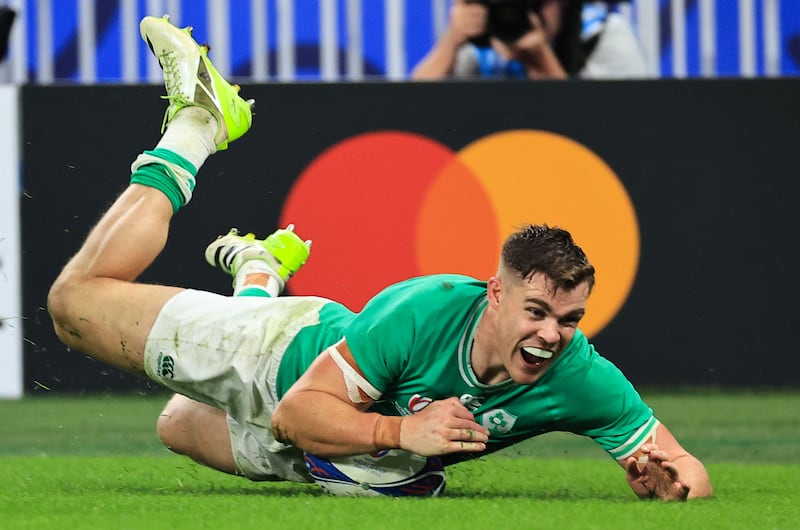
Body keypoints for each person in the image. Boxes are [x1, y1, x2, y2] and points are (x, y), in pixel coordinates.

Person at [47, 15, 711, 501]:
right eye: (536, 311)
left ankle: (259, 272)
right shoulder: (425, 309)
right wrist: (401, 433)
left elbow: (688, 469)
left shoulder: (578, 374)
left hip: (323, 442)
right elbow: (295, 414)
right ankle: (201, 125)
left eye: (568, 320)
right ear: (495, 294)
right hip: (277, 359)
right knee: (74, 304)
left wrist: (673, 485)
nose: (551, 334)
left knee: (177, 423)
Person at [411, 0, 648, 80]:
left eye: (538, 2)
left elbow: (615, 131)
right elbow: (413, 114)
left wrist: (541, 60)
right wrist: (452, 41)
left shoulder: (603, 34)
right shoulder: (486, 39)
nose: (528, 14)